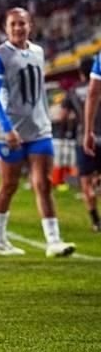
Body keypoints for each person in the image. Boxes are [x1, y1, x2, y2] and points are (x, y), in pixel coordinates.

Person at [0, 7, 75, 257]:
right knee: (9, 185)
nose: (17, 28)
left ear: (30, 25)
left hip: (39, 130)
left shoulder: (38, 52)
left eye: (21, 23)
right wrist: (6, 127)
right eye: (13, 24)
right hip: (9, 132)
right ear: (6, 27)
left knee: (44, 183)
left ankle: (54, 241)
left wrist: (45, 119)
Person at [74, 56, 101, 231]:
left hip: (85, 136)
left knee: (85, 180)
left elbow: (63, 114)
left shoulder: (73, 91)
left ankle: (95, 221)